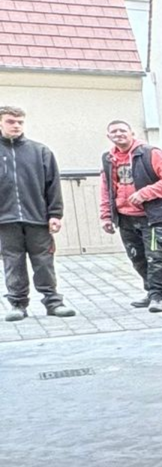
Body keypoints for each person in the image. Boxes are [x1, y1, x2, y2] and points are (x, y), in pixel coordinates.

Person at [98, 118, 162, 313]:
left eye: (122, 130)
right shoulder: (108, 158)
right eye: (114, 132)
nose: (118, 134)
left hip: (152, 217)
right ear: (109, 136)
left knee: (155, 256)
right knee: (137, 257)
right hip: (125, 218)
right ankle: (151, 290)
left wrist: (144, 193)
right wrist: (106, 215)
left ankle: (159, 296)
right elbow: (106, 189)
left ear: (132, 133)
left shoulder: (150, 153)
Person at [0, 105, 74, 320]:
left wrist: (55, 214)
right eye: (11, 121)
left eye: (20, 122)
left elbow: (53, 185)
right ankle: (17, 305)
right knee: (12, 263)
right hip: (5, 222)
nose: (16, 125)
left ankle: (53, 303)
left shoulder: (40, 151)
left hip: (38, 219)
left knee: (44, 262)